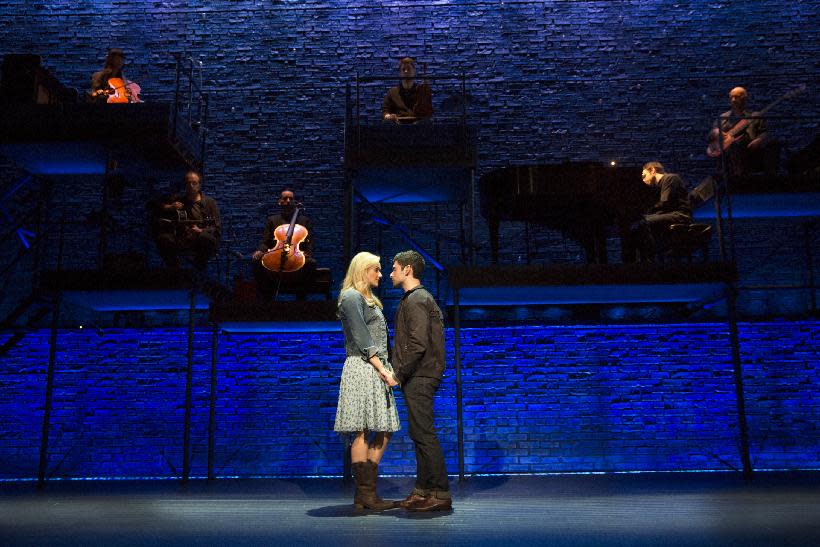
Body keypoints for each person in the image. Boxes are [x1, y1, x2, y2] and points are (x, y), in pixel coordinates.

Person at [334, 252, 400, 512]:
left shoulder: (369, 299)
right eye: (376, 270)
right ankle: (365, 495)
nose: (381, 275)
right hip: (363, 367)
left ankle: (365, 495)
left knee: (385, 427)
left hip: (377, 367)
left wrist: (387, 369)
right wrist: (382, 370)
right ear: (363, 270)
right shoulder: (351, 297)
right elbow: (362, 337)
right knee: (361, 429)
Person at [389, 250, 451, 512]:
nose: (390, 274)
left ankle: (439, 492)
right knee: (418, 433)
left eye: (394, 268)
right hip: (419, 374)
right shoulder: (416, 299)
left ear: (407, 270)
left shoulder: (417, 300)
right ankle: (423, 490)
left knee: (424, 434)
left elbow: (417, 344)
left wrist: (398, 373)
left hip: (420, 375)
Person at [251, 189, 317, 300]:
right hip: (277, 252)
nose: (288, 201)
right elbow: (265, 241)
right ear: (279, 202)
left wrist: (308, 253)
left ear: (294, 202)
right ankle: (267, 296)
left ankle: (301, 298)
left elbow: (310, 241)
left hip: (296, 254)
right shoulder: (272, 220)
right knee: (256, 261)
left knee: (311, 263)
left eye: (291, 199)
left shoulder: (304, 221)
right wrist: (260, 250)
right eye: (285, 198)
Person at [153, 170, 220, 270]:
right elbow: (153, 207)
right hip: (182, 238)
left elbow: (217, 228)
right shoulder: (179, 200)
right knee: (163, 238)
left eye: (194, 183)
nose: (191, 186)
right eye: (188, 183)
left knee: (206, 238)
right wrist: (169, 207)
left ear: (199, 185)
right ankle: (174, 267)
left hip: (199, 240)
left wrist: (201, 231)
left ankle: (198, 265)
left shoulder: (210, 203)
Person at [624, 162, 692, 263]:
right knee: (637, 223)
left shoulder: (671, 178)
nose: (643, 179)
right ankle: (641, 260)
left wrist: (645, 215)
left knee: (642, 222)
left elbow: (665, 203)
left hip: (680, 215)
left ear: (652, 170)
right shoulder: (656, 187)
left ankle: (648, 259)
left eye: (644, 175)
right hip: (668, 214)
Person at [710, 86, 779, 176]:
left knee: (774, 143)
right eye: (731, 97)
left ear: (745, 98)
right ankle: (738, 178)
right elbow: (711, 135)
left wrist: (759, 140)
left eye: (737, 97)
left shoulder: (754, 116)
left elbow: (764, 132)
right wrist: (716, 132)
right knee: (735, 145)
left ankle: (771, 180)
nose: (733, 100)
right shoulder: (723, 118)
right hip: (731, 151)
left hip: (752, 147)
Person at [382, 57, 432, 123]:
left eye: (409, 69)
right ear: (400, 73)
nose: (406, 71)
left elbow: (428, 112)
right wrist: (389, 116)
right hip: (398, 125)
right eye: (403, 69)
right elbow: (385, 111)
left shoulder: (421, 91)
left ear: (414, 71)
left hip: (417, 125)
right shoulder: (392, 92)